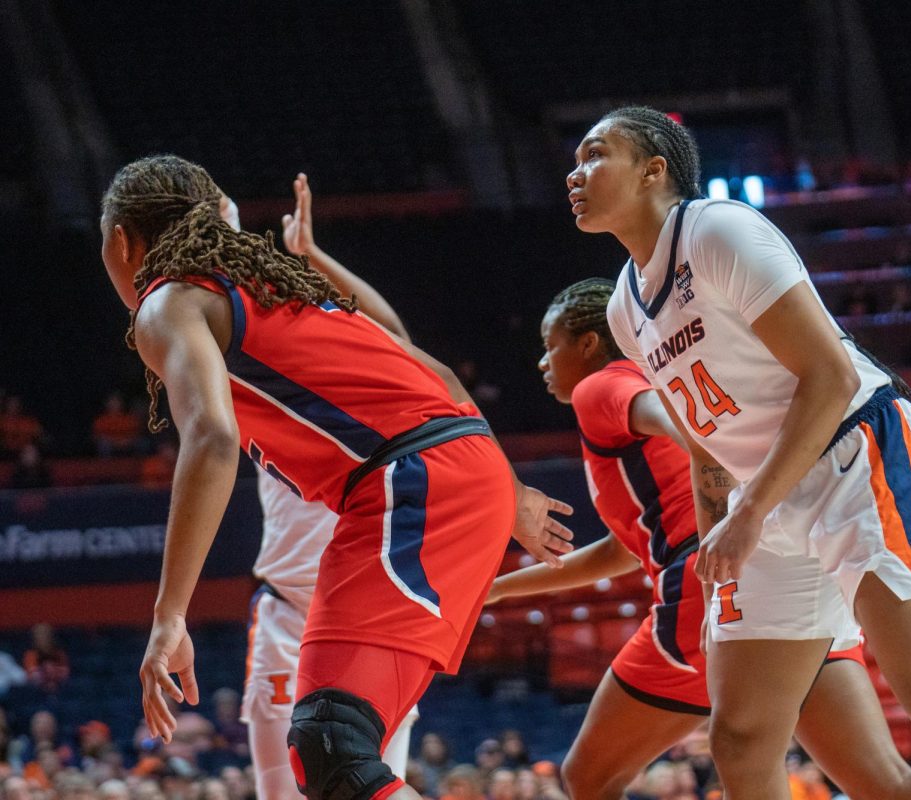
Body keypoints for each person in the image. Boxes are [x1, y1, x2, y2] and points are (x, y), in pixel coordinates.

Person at [572, 106, 911, 799]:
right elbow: (704, 448)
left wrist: (751, 512)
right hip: (764, 496)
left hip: (857, 454)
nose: (575, 174)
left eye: (594, 154)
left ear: (653, 171)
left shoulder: (718, 231)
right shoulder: (622, 311)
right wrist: (714, 567)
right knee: (740, 736)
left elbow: (833, 376)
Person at [99, 155, 573, 800]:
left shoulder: (168, 301)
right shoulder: (279, 289)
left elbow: (211, 440)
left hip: (408, 484)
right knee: (333, 745)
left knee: (331, 743)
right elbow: (438, 374)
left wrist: (169, 616)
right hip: (450, 469)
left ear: (121, 241)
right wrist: (508, 493)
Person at [488, 278, 911, 800]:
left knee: (588, 776)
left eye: (548, 345)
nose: (541, 362)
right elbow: (627, 549)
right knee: (887, 784)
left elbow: (689, 428)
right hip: (785, 569)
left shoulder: (600, 387)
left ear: (587, 344)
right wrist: (498, 589)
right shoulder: (656, 393)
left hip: (711, 587)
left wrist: (719, 517)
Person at [219, 179, 421, 800]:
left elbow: (399, 340)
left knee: (367, 787)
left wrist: (314, 256)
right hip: (289, 611)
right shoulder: (239, 357)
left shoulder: (354, 365)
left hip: (370, 615)